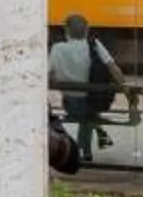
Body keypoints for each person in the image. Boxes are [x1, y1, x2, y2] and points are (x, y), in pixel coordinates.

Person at [48, 14, 127, 164]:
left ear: (66, 30)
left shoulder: (57, 49)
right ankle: (85, 150)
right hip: (93, 101)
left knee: (87, 116)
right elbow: (113, 68)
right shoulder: (94, 44)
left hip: (69, 104)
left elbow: (47, 74)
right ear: (87, 30)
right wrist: (126, 88)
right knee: (89, 115)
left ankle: (89, 147)